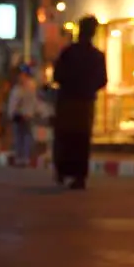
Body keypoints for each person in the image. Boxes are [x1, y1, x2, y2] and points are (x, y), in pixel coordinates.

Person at [52, 16, 108, 189]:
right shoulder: (97, 56)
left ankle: (62, 171)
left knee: (65, 137)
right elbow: (103, 80)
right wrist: (88, 87)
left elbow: (57, 76)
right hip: (85, 103)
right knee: (81, 139)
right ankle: (79, 176)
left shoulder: (68, 52)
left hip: (67, 102)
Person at [6, 65, 40, 167]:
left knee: (22, 136)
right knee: (23, 136)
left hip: (22, 114)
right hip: (25, 114)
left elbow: (17, 101)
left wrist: (12, 112)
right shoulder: (29, 86)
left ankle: (22, 157)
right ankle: (23, 157)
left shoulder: (24, 87)